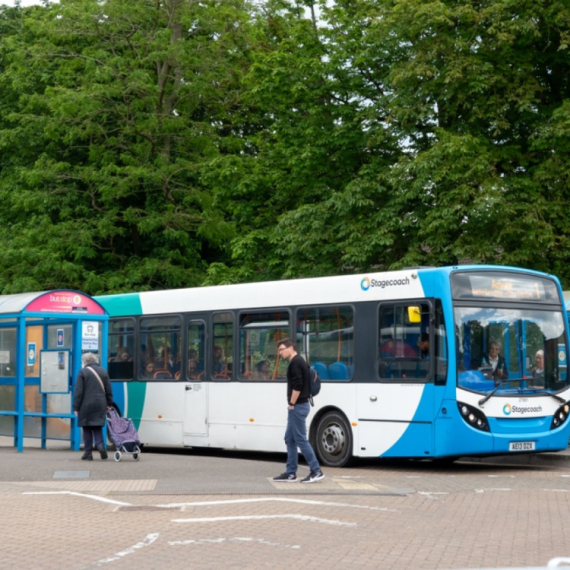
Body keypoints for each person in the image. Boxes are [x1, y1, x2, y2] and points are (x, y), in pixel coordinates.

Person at [273, 338, 324, 484]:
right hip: (301, 405)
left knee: (301, 439)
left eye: (281, 350)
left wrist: (291, 403)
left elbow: (298, 385)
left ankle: (316, 471)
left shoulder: (295, 363)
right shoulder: (300, 361)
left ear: (290, 348)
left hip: (298, 406)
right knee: (290, 438)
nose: (280, 353)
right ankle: (290, 473)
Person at [73, 353, 113, 461]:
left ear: (84, 362)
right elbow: (109, 390)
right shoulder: (103, 371)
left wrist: (76, 407)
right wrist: (109, 404)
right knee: (97, 426)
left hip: (86, 404)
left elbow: (78, 392)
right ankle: (100, 445)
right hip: (100, 403)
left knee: (86, 427)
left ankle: (88, 453)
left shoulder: (83, 372)